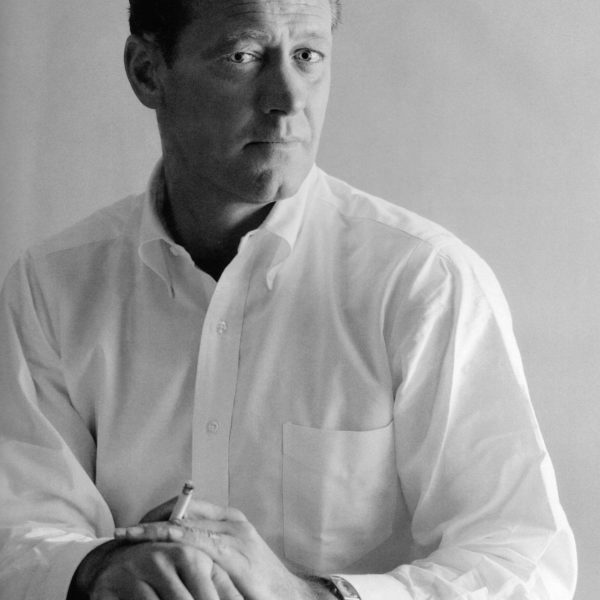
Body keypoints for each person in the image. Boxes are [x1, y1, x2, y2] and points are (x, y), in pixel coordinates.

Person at [0, 0, 577, 599]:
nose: (289, 98)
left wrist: (305, 594)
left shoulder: (424, 282)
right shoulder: (51, 287)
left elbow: (523, 564)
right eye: (243, 55)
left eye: (307, 55)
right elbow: (16, 530)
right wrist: (96, 571)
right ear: (148, 72)